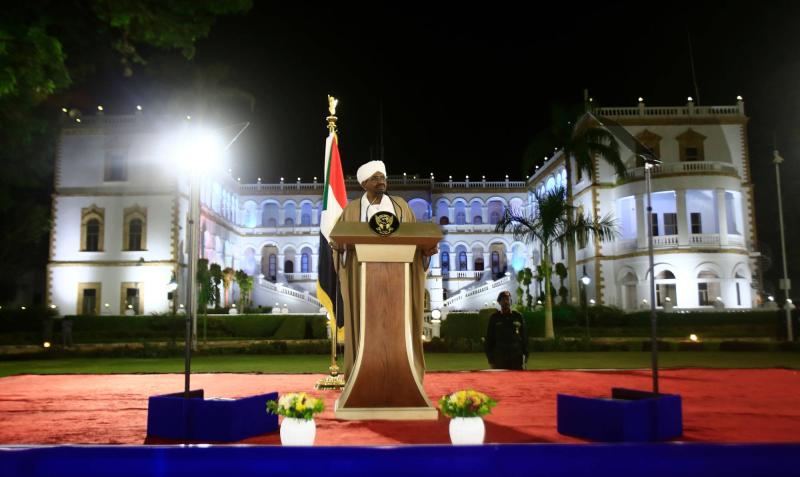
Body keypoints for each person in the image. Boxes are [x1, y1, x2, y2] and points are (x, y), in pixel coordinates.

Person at [333, 160, 437, 380]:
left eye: (383, 177)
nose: (381, 181)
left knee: (398, 329)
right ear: (364, 183)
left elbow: (415, 241)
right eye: (375, 178)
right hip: (363, 280)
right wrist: (340, 250)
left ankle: (402, 377)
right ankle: (363, 377)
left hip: (399, 281)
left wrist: (424, 253)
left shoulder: (400, 206)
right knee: (365, 329)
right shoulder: (352, 211)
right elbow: (340, 247)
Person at [485, 291, 528, 370]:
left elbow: (524, 337)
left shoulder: (518, 316)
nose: (506, 301)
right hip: (500, 357)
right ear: (499, 302)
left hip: (516, 357)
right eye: (503, 300)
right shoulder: (494, 318)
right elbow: (489, 339)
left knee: (518, 381)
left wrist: (526, 355)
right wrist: (490, 359)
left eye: (508, 299)